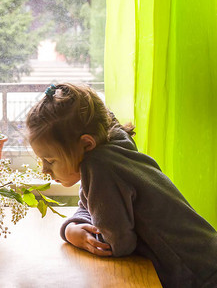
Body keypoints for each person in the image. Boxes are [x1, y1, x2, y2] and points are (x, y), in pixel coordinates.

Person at [26, 83, 217, 288]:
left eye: (50, 160)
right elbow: (89, 206)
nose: (45, 170)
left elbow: (117, 244)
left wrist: (74, 235)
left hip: (199, 276)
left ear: (86, 144)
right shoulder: (111, 148)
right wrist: (72, 228)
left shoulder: (101, 166)